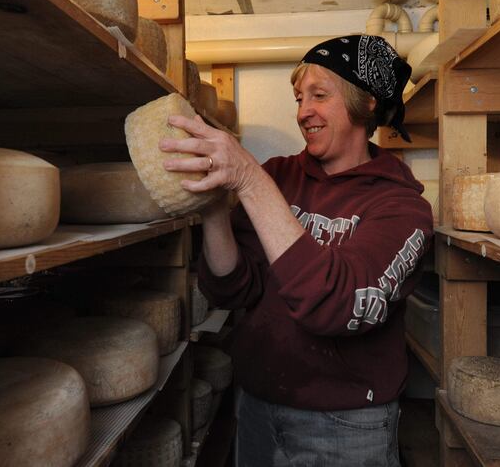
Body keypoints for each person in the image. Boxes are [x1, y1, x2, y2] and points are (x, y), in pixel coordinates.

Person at [160, 35, 434, 466]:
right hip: (256, 406)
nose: (303, 111)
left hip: (347, 425)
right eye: (299, 97)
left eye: (320, 95)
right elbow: (233, 290)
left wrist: (249, 180)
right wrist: (213, 211)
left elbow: (338, 307)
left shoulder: (401, 207)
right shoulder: (279, 177)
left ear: (364, 105)